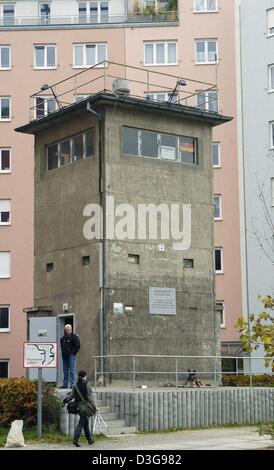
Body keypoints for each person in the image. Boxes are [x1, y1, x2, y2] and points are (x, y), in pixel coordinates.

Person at [63, 370, 98, 447]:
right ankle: (75, 440)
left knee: (85, 423)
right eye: (86, 376)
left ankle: (90, 440)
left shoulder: (75, 385)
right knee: (81, 423)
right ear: (84, 376)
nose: (86, 377)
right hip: (85, 408)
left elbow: (71, 396)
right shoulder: (87, 384)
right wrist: (95, 406)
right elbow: (90, 397)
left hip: (79, 407)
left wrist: (66, 400)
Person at [60, 324, 80, 388]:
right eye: (66, 330)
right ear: (65, 330)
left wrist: (73, 353)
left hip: (71, 355)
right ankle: (65, 384)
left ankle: (72, 384)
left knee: (71, 370)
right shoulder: (63, 338)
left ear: (71, 329)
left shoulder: (75, 337)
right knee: (65, 371)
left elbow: (77, 346)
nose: (67, 331)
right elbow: (61, 346)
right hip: (64, 356)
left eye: (69, 330)